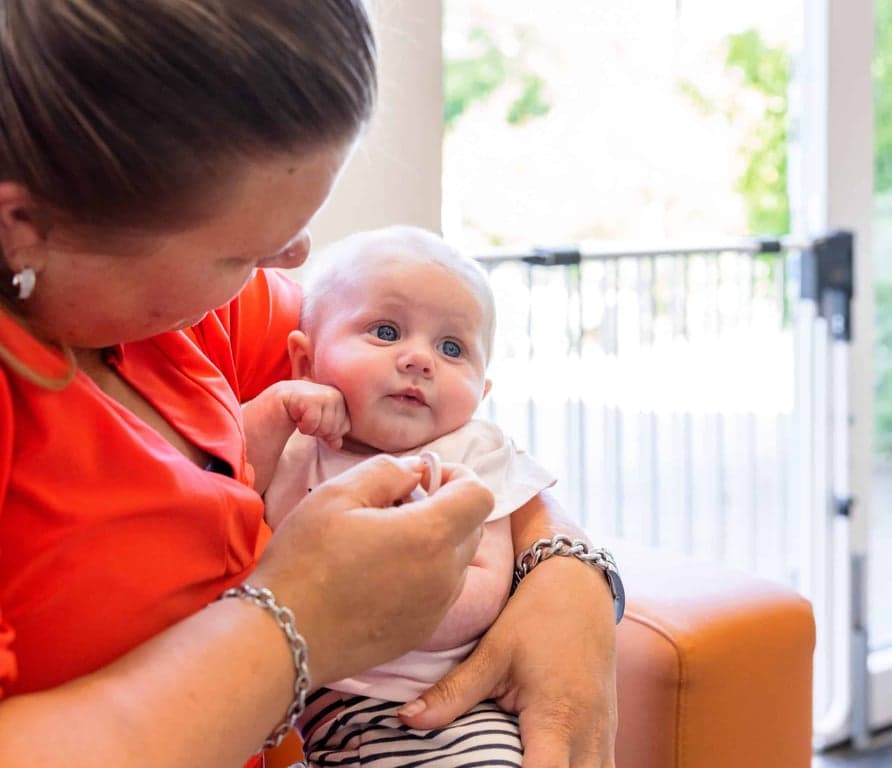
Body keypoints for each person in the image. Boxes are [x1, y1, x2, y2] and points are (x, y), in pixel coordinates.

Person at [0, 3, 619, 768]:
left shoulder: (198, 313)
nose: (289, 261)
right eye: (240, 252)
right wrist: (295, 619)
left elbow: (441, 431)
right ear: (22, 225)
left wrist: (567, 570)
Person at [244, 226, 556, 765]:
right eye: (386, 332)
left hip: (447, 715)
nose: (419, 359)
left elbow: (486, 579)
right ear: (304, 361)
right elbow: (230, 496)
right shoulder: (300, 442)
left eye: (452, 347)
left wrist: (379, 607)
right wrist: (274, 409)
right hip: (321, 715)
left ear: (480, 393)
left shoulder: (470, 451)